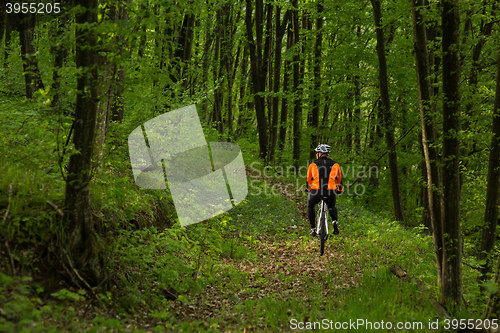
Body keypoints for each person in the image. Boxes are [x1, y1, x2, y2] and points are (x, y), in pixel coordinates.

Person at [305, 144, 343, 237]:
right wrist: (339, 189)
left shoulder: (313, 164)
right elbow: (339, 180)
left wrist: (307, 189)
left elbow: (309, 180)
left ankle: (313, 229)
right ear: (328, 154)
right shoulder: (335, 164)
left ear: (319, 154)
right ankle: (334, 221)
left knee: (310, 206)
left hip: (316, 190)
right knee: (331, 206)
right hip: (330, 190)